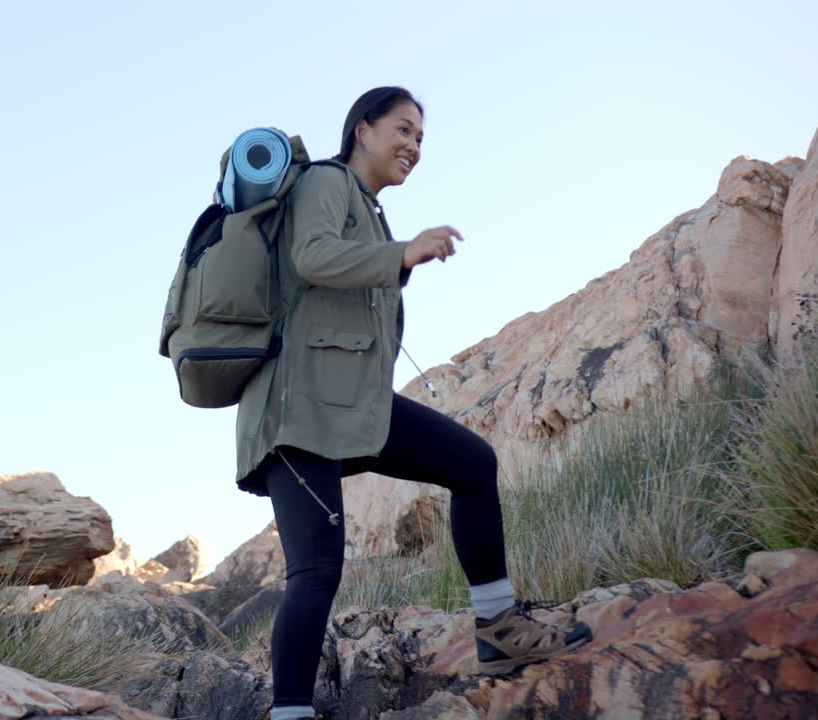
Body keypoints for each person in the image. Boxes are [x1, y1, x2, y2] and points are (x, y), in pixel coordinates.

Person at [232, 87, 592, 720]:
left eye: (421, 138)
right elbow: (311, 255)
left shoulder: (369, 211)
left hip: (351, 406)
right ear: (362, 129)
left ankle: (499, 630)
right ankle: (289, 712)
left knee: (473, 464)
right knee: (316, 570)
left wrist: (394, 253)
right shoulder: (325, 182)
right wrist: (404, 253)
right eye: (403, 130)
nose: (413, 146)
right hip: (298, 413)